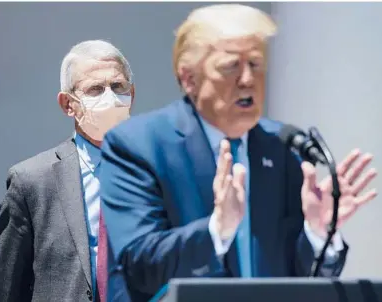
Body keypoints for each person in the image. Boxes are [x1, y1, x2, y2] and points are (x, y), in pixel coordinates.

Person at [100, 4, 378, 302]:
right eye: (231, 66)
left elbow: (300, 279)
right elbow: (138, 265)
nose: (247, 79)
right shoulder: (137, 145)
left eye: (256, 65)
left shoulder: (282, 146)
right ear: (189, 78)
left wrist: (318, 233)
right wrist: (216, 231)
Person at [0, 40, 135, 302]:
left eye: (118, 86)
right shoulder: (32, 182)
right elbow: (4, 289)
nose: (110, 98)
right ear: (68, 104)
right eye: (95, 89)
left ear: (131, 94)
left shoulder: (158, 172)